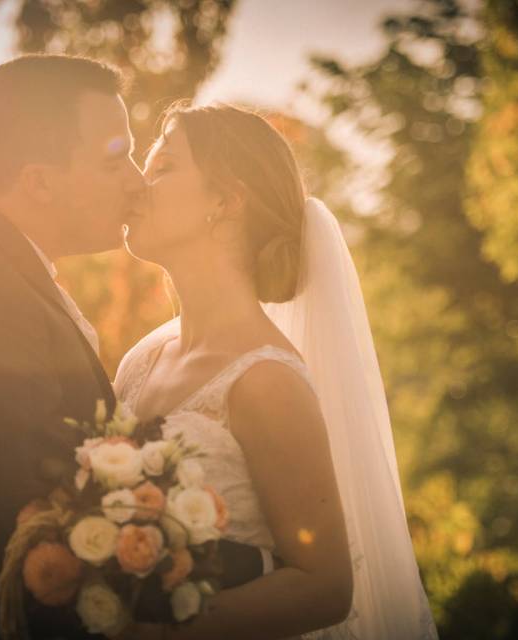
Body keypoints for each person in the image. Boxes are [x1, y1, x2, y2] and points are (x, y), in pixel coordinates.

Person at [0, 55, 269, 640]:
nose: (136, 179)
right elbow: (56, 503)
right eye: (115, 158)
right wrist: (260, 559)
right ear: (39, 181)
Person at [114, 102, 438, 639]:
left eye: (163, 168)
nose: (136, 188)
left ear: (225, 200)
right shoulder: (138, 361)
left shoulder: (266, 380)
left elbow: (326, 587)